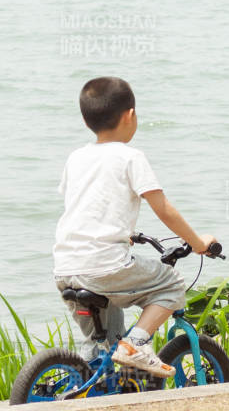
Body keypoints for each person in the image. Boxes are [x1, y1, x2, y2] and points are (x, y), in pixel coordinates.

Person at [53, 76, 215, 378]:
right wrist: (196, 242)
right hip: (105, 266)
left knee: (101, 345)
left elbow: (86, 207)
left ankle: (89, 380)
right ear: (130, 115)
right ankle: (137, 344)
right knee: (172, 284)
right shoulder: (131, 157)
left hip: (65, 267)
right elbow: (163, 208)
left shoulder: (76, 158)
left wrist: (124, 235)